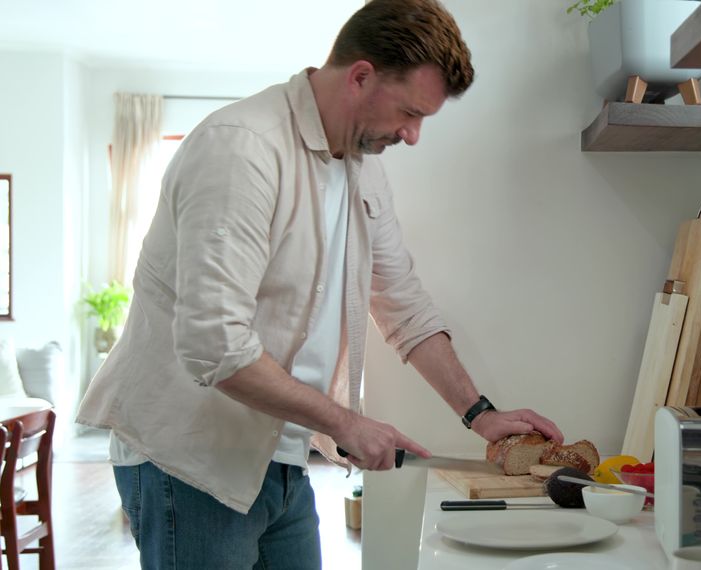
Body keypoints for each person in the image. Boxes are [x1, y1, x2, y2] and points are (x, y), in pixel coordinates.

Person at [76, 0, 564, 567]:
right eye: (410, 112)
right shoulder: (242, 149)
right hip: (189, 463)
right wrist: (348, 424)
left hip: (279, 457)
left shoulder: (361, 167)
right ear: (361, 76)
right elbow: (215, 346)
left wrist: (481, 414)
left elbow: (402, 303)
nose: (413, 136)